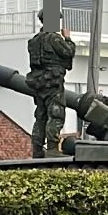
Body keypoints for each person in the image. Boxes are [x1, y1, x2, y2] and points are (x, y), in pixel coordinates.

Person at [26, 9, 76, 158]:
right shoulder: (54, 38)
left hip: (38, 83)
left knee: (41, 115)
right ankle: (53, 148)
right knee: (56, 113)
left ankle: (37, 149)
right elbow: (69, 52)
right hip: (53, 82)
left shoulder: (34, 41)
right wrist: (67, 38)